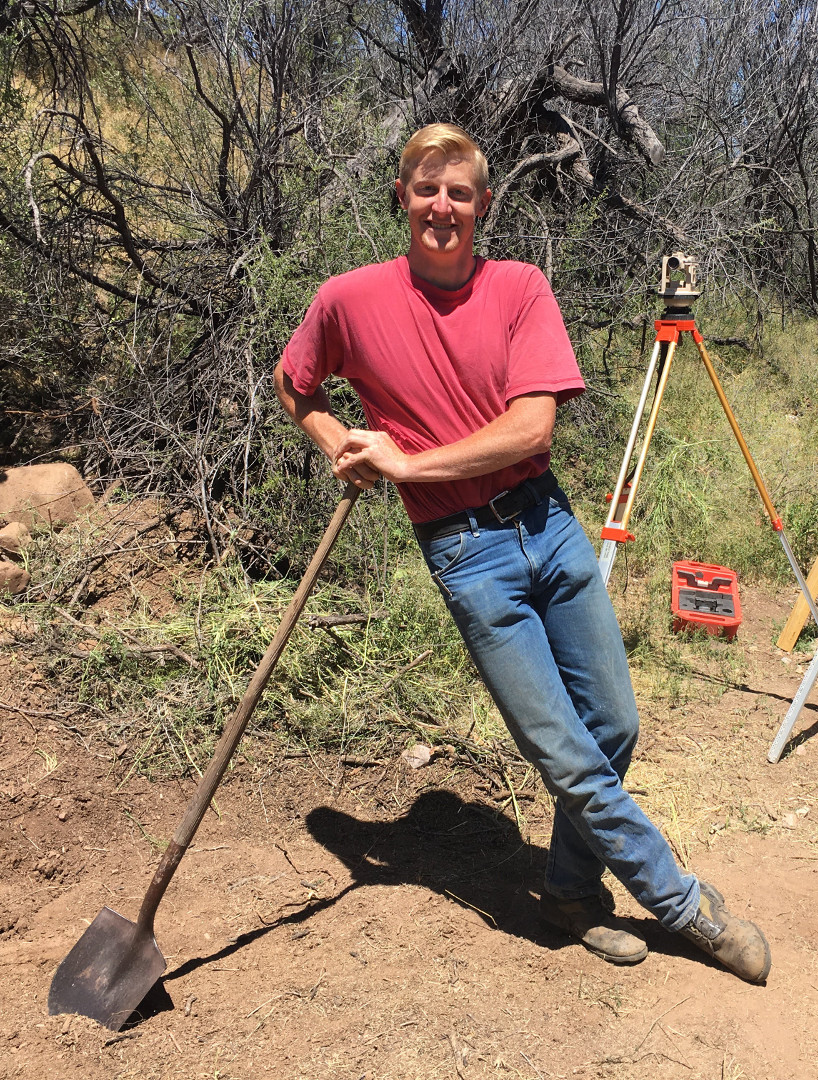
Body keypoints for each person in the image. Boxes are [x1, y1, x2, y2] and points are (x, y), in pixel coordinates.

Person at [273, 123, 770, 983]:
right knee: (566, 754)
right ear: (401, 197)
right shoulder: (348, 299)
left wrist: (402, 462)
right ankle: (684, 905)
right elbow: (294, 381)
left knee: (612, 727)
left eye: (460, 192)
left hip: (548, 523)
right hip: (466, 552)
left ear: (484, 205)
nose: (442, 206)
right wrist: (337, 442)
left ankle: (572, 894)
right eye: (427, 188)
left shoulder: (520, 287)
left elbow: (531, 426)